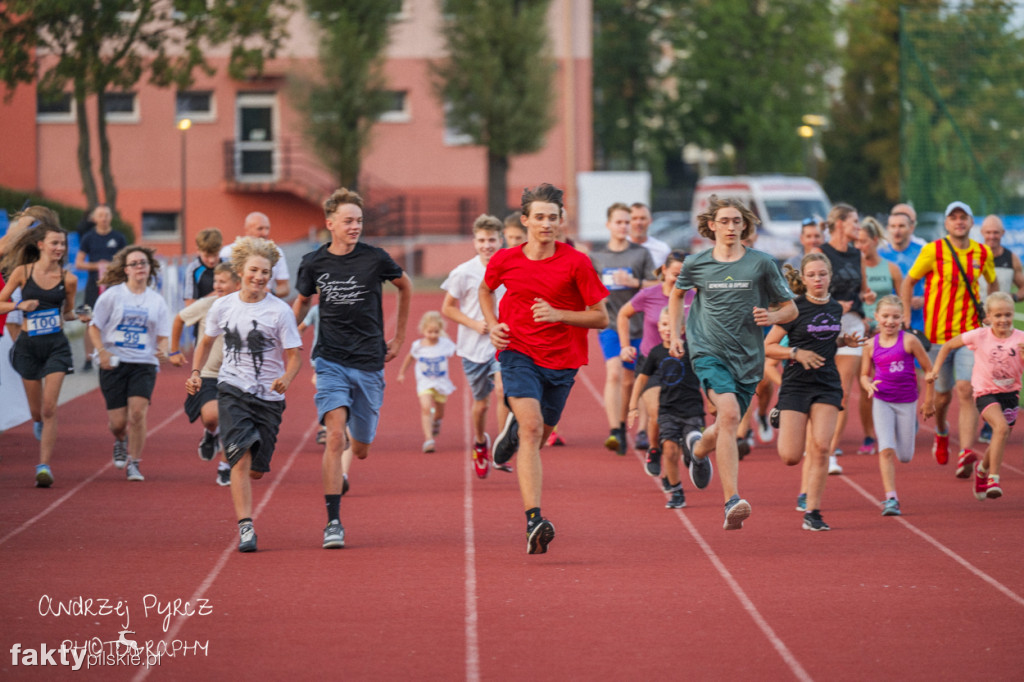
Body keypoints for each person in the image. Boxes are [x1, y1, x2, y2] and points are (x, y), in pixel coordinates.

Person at [481, 183, 609, 554]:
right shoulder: (505, 259)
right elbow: (485, 290)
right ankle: (534, 519)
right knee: (534, 428)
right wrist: (492, 324)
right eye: (539, 217)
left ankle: (512, 436)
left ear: (561, 221)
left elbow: (601, 317)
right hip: (518, 352)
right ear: (525, 221)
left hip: (563, 362)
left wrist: (559, 315)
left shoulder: (576, 262)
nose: (546, 224)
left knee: (535, 435)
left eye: (553, 218)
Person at [293, 187, 412, 550]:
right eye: (348, 221)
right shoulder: (314, 263)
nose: (355, 226)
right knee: (334, 435)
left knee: (359, 447)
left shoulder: (375, 259)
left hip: (369, 363)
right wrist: (282, 334)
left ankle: (354, 448)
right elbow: (301, 301)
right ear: (330, 223)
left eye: (359, 221)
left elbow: (405, 288)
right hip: (330, 360)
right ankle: (333, 522)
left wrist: (399, 338)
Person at [669, 194, 797, 531]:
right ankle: (731, 501)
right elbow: (677, 293)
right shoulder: (696, 263)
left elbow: (790, 309)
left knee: (725, 424)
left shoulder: (762, 264)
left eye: (737, 221)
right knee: (729, 416)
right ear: (711, 225)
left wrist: (771, 314)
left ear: (746, 225)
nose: (730, 227)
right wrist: (675, 335)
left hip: (748, 359)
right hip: (708, 351)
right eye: (724, 221)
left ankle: (697, 448)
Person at [188, 237, 302, 552]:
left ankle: (248, 470)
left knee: (256, 470)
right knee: (239, 458)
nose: (260, 277)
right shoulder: (223, 306)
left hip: (269, 397)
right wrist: (196, 373)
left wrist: (287, 378)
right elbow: (206, 343)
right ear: (241, 270)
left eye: (265, 271)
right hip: (232, 389)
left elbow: (295, 356)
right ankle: (246, 527)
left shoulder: (280, 311)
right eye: (254, 270)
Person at [901, 201, 997, 476]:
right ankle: (942, 432)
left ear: (970, 222)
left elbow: (991, 281)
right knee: (941, 397)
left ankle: (966, 452)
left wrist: (990, 308)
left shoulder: (982, 253)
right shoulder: (933, 251)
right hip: (937, 337)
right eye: (953, 217)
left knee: (967, 390)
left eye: (963, 217)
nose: (958, 222)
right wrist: (907, 318)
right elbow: (908, 282)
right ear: (946, 223)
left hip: (969, 335)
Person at [766, 254, 860, 531]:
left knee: (820, 448)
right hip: (796, 384)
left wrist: (845, 340)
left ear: (830, 276)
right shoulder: (792, 309)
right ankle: (779, 412)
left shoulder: (834, 308)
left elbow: (827, 339)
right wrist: (795, 352)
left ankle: (813, 512)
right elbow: (769, 347)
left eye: (822, 274)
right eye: (812, 275)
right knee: (791, 456)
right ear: (803, 279)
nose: (818, 279)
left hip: (827, 384)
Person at [0, 221, 81, 487]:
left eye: (62, 244)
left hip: (56, 346)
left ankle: (43, 466)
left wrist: (80, 315)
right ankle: (39, 422)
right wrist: (18, 304)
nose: (59, 248)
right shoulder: (23, 273)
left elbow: (67, 312)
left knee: (49, 408)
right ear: (41, 245)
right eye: (54, 243)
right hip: (27, 347)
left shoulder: (69, 279)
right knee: (37, 412)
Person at [926, 292, 1024, 501]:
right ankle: (993, 479)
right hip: (985, 393)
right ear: (988, 317)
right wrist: (935, 369)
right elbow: (948, 346)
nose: (1003, 320)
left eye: (1007, 315)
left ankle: (981, 470)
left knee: (1001, 436)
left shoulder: (1021, 338)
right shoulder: (979, 335)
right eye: (998, 315)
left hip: (1010, 394)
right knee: (1001, 428)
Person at [88, 246, 172, 482]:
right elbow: (94, 326)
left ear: (149, 268)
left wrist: (163, 350)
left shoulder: (157, 301)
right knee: (118, 423)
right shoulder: (113, 296)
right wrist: (102, 352)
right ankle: (119, 440)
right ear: (126, 270)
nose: (139, 267)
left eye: (143, 263)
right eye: (134, 264)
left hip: (143, 364)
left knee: (137, 414)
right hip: (113, 363)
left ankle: (134, 463)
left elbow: (163, 336)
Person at [441, 214, 509, 477]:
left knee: (504, 390)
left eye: (492, 240)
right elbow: (447, 308)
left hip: (502, 342)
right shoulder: (463, 272)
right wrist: (473, 324)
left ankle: (503, 446)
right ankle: (481, 441)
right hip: (472, 347)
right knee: (481, 404)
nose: (487, 245)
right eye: (482, 240)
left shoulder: (509, 266)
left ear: (500, 240)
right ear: (474, 241)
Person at [590, 202, 656, 454]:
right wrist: (597, 296)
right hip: (610, 324)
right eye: (618, 222)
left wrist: (634, 282)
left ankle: (634, 426)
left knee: (634, 379)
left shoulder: (640, 254)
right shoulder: (597, 257)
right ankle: (615, 429)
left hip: (638, 326)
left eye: (627, 222)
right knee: (615, 373)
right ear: (608, 225)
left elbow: (657, 282)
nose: (623, 226)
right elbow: (588, 286)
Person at [860, 295, 935, 516]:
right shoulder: (871, 344)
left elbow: (929, 371)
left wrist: (929, 401)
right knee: (886, 449)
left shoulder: (910, 341)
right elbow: (864, 374)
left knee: (905, 455)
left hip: (907, 402)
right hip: (882, 400)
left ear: (903, 318)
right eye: (885, 316)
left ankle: (910, 427)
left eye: (895, 317)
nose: (890, 321)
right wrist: (867, 385)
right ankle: (891, 498)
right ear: (877, 317)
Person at [617, 250, 690, 476]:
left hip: (682, 363)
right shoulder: (649, 294)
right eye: (675, 274)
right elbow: (623, 314)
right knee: (658, 411)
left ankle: (683, 452)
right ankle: (654, 448)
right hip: (652, 363)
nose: (679, 279)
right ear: (665, 271)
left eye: (684, 274)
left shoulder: (694, 297)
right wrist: (625, 345)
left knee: (685, 413)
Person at [169, 262, 240, 486]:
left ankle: (225, 465)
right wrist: (174, 350)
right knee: (211, 416)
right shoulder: (207, 304)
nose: (217, 285)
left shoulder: (246, 307)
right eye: (215, 281)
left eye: (223, 281)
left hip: (237, 374)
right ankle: (211, 433)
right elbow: (179, 318)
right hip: (209, 372)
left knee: (232, 420)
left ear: (237, 284)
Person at [628, 307, 705, 509]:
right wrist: (632, 405)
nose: (667, 329)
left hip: (692, 409)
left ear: (681, 328)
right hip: (668, 411)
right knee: (669, 451)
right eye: (663, 325)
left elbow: (707, 377)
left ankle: (695, 457)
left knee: (693, 446)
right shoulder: (655, 353)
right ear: (658, 328)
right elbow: (642, 379)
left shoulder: (693, 350)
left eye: (671, 325)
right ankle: (676, 490)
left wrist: (714, 402)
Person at [854, 216, 903, 457]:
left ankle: (898, 421)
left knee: (894, 379)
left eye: (863, 241)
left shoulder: (891, 268)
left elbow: (901, 302)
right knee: (865, 384)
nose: (859, 246)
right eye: (856, 242)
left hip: (888, 333)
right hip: (862, 333)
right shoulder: (854, 269)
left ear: (874, 240)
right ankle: (868, 434)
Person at [74, 205, 126, 370]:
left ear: (111, 217)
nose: (103, 218)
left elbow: (126, 261)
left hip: (114, 285)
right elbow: (78, 263)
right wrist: (97, 266)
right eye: (100, 215)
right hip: (93, 285)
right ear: (94, 218)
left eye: (106, 215)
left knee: (117, 319)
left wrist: (111, 267)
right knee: (89, 320)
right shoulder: (88, 238)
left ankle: (116, 354)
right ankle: (88, 359)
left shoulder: (118, 238)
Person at [398, 311, 457, 453]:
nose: (433, 335)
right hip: (424, 383)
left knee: (439, 413)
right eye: (430, 331)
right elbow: (409, 358)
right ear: (423, 330)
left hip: (441, 383)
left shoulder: (446, 344)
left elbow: (459, 351)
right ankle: (428, 440)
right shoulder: (418, 346)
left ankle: (436, 421)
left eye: (436, 332)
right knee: (425, 407)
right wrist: (401, 373)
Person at [220, 212, 290, 298]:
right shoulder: (228, 252)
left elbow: (285, 288)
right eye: (260, 229)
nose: (265, 233)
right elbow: (219, 284)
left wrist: (270, 292)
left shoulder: (276, 252)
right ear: (247, 229)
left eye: (267, 228)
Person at [879, 206, 926, 332]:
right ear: (887, 228)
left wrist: (924, 299)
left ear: (911, 228)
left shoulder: (923, 251)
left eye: (901, 226)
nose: (896, 231)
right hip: (890, 323)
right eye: (893, 226)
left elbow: (936, 283)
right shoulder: (880, 254)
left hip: (919, 322)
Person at [183, 228, 224, 306]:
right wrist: (218, 294)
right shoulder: (193, 270)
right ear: (198, 251)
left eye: (215, 255)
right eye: (207, 256)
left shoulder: (229, 265)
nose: (211, 260)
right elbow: (189, 305)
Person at [628, 202, 671, 267]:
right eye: (634, 218)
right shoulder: (619, 248)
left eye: (643, 218)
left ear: (650, 221)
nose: (638, 223)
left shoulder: (663, 250)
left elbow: (665, 275)